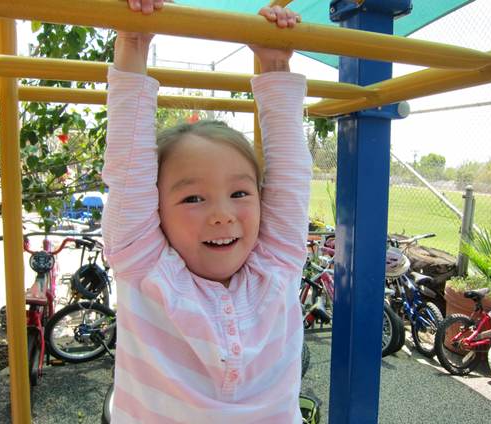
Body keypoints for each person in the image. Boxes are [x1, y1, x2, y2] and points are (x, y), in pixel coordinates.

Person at [102, 0, 311, 422]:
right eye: (193, 198)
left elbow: (290, 175)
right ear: (154, 212)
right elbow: (128, 169)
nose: (222, 214)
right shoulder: (146, 271)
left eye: (239, 193)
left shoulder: (277, 264)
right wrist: (133, 41)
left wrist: (274, 63)